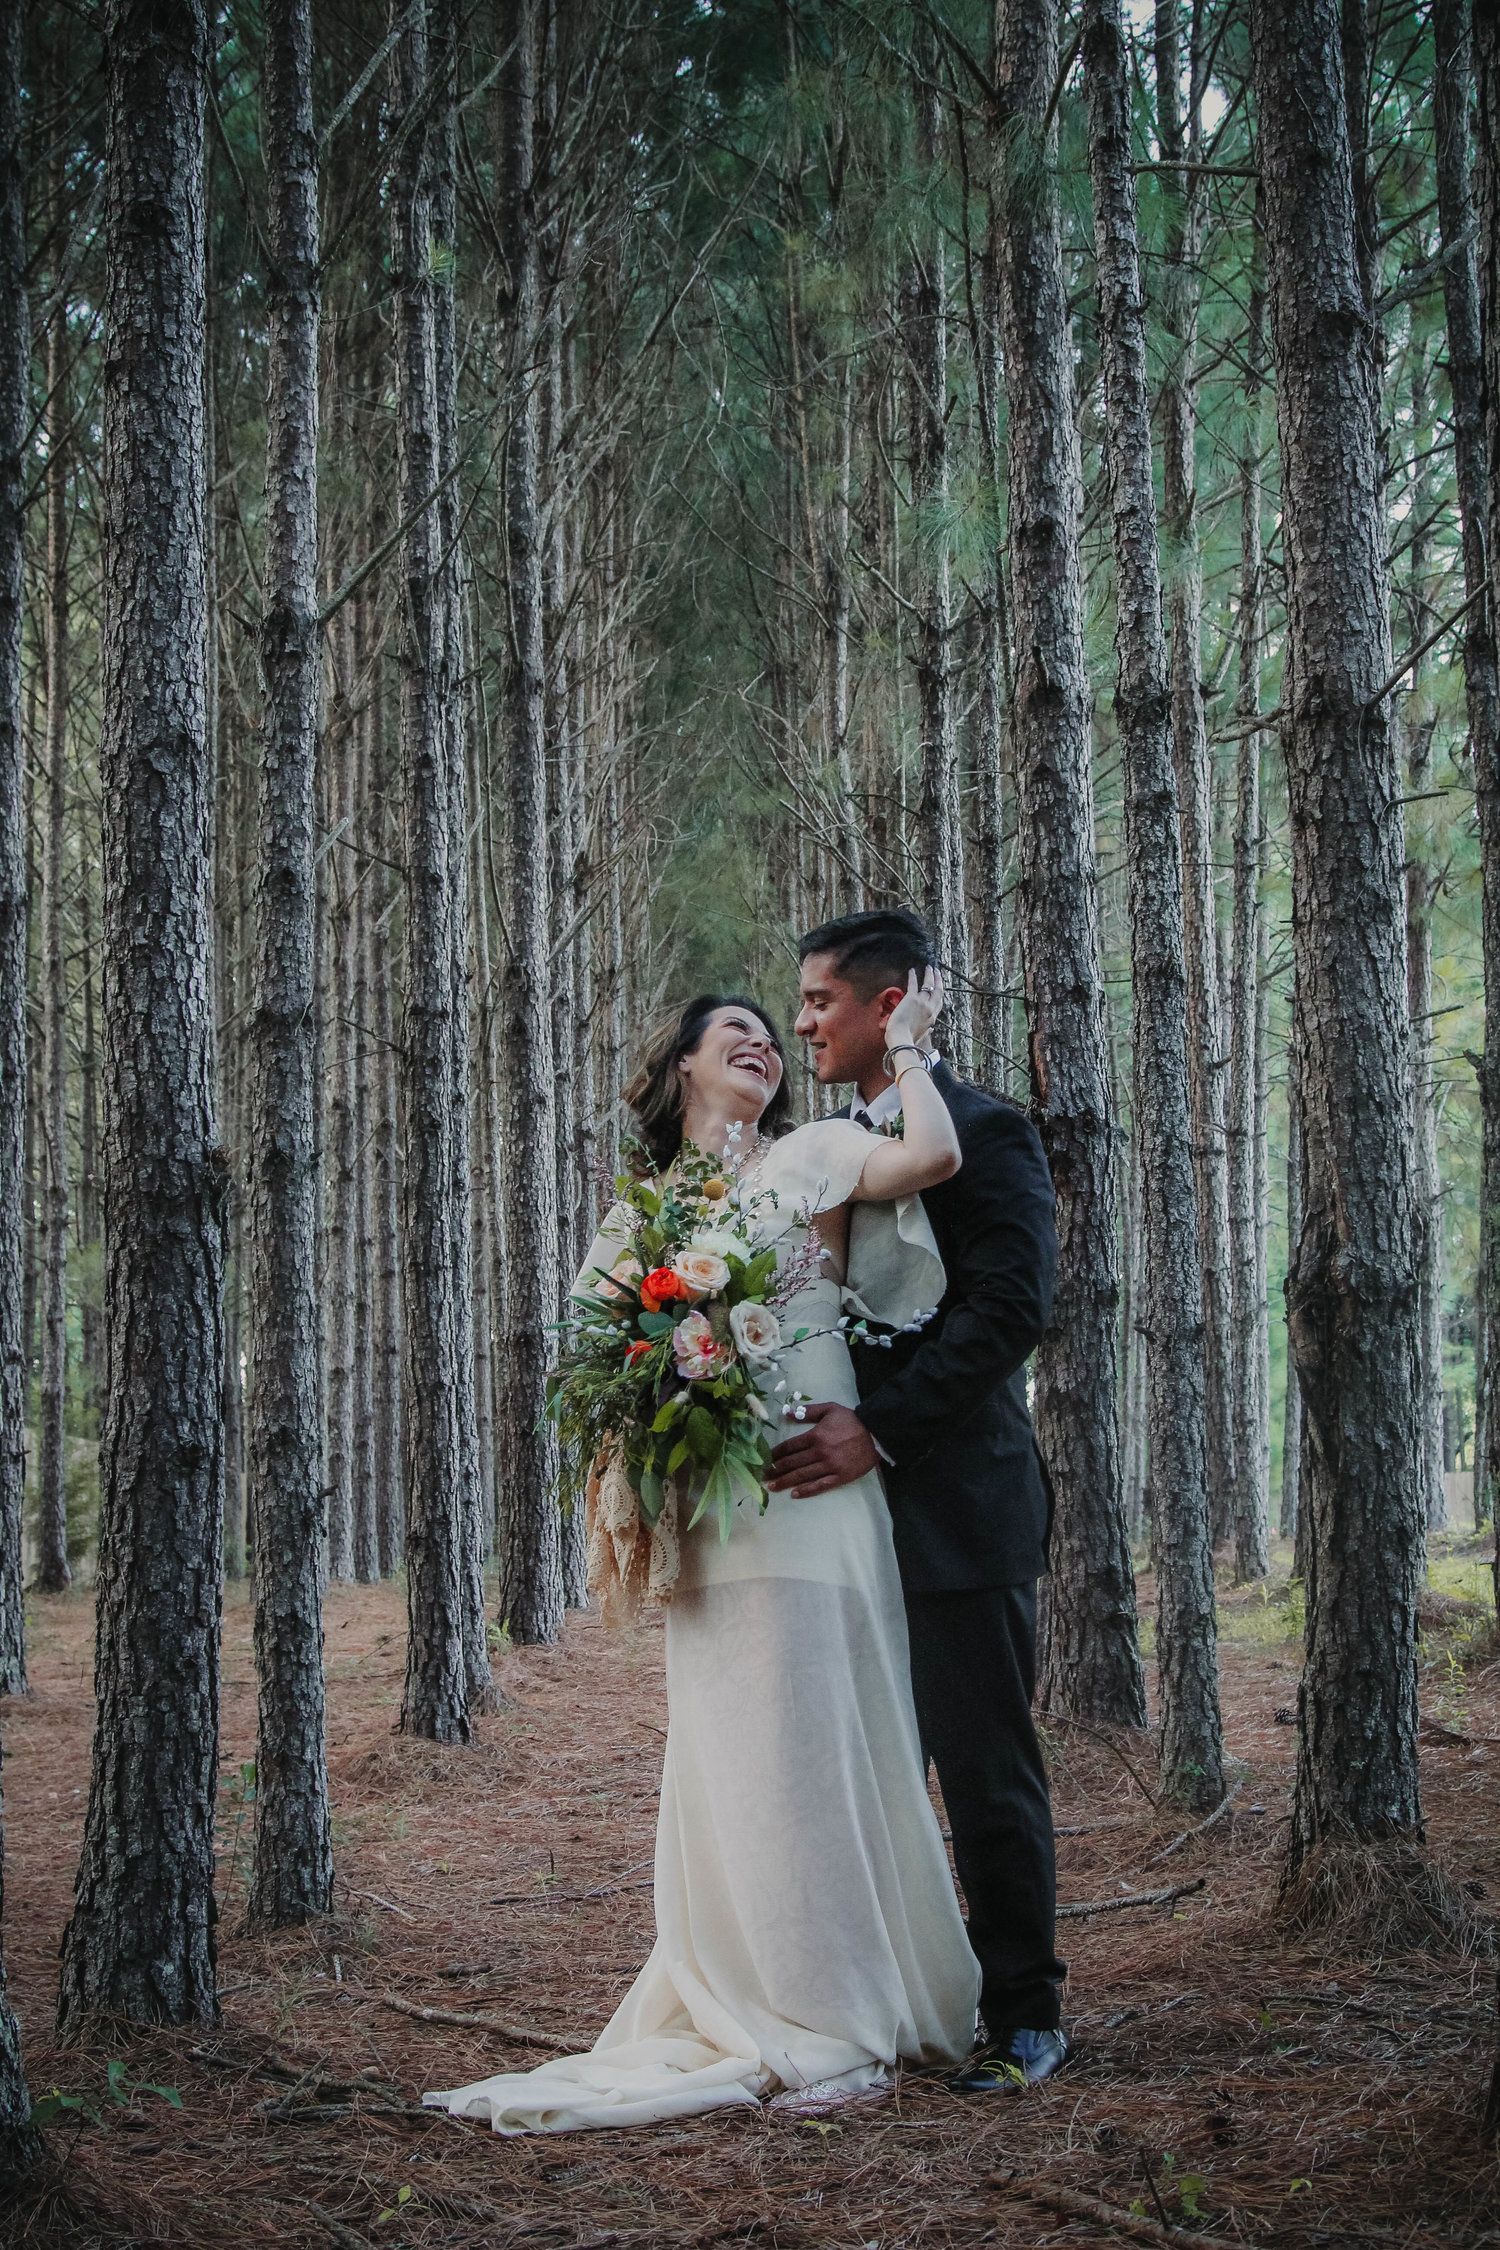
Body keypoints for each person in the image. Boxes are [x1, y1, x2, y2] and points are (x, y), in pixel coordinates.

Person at [423, 978, 982, 2134]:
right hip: (714, 1509)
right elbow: (594, 1361)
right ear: (682, 1063)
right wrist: (671, 1382)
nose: (766, 1049)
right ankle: (761, 1985)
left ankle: (848, 2000)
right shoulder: (645, 1209)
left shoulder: (813, 1150)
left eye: (776, 1039)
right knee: (738, 1752)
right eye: (738, 1035)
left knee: (827, 1730)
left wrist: (915, 1052)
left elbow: (929, 1157)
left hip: (820, 1485)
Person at [767, 907, 1070, 2092]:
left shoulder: (991, 1133)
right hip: (832, 1526)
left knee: (983, 1768)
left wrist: (877, 1436)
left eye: (819, 1003)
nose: (802, 1025)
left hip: (960, 1507)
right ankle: (882, 2005)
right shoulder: (827, 1148)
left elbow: (1010, 1312)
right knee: (854, 1770)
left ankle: (1026, 2017)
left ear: (888, 1006)